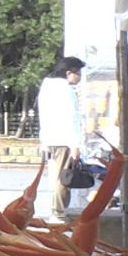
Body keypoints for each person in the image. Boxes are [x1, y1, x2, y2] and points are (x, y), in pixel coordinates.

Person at [37, 56, 86, 220]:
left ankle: (57, 210)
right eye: (77, 73)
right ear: (68, 73)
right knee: (64, 178)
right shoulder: (65, 89)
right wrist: (76, 144)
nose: (78, 77)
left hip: (49, 138)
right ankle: (59, 211)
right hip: (64, 139)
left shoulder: (46, 86)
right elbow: (72, 117)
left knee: (55, 176)